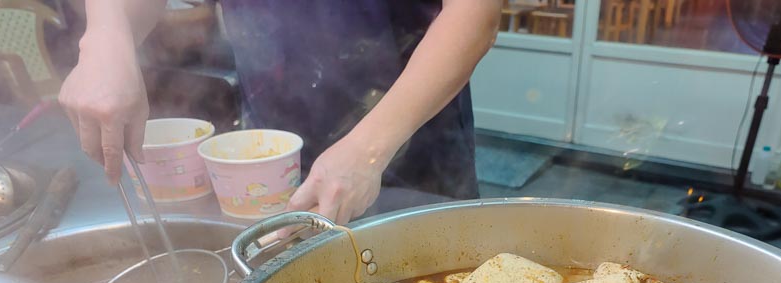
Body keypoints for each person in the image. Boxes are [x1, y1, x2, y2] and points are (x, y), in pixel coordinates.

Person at [58, 0, 500, 224]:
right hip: (272, 140)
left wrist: (368, 149)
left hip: (409, 135)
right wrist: (104, 39)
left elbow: (473, 13)